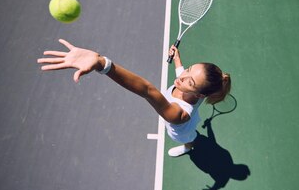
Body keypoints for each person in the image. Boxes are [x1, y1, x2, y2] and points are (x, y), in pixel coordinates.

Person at [37, 39, 231, 157]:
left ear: (198, 95)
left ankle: (189, 146)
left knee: (189, 137)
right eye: (188, 70)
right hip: (193, 115)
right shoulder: (194, 90)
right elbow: (182, 72)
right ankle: (192, 142)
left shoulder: (178, 115)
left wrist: (103, 63)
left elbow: (147, 90)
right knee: (193, 132)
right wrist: (178, 58)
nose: (182, 77)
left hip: (181, 131)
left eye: (190, 82)